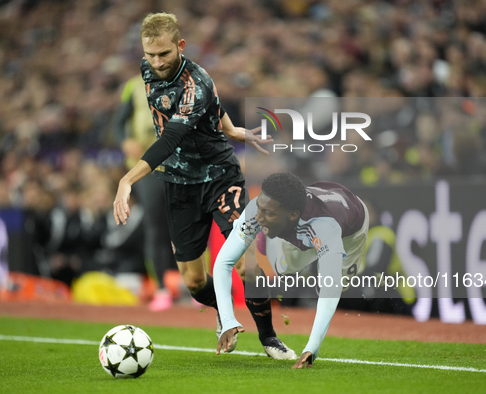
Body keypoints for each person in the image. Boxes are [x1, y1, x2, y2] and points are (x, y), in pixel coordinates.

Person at [112, 12, 296, 359]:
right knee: (195, 282)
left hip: (220, 177)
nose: (156, 62)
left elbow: (171, 139)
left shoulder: (196, 82)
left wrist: (126, 179)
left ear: (180, 46)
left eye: (164, 54)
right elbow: (216, 107)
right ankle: (222, 313)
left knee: (245, 263)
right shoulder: (146, 68)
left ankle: (270, 338)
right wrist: (231, 129)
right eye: (150, 54)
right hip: (179, 185)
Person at [213, 172, 370, 369]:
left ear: (293, 214)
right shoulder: (258, 208)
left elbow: (332, 288)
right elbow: (223, 263)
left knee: (335, 286)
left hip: (350, 232)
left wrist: (313, 347)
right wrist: (228, 320)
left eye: (268, 213)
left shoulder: (325, 226)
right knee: (284, 270)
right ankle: (273, 239)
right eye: (260, 209)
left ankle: (321, 255)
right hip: (304, 220)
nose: (259, 218)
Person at [114, 74, 180, 311]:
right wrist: (125, 142)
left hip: (181, 165)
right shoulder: (133, 86)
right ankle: (162, 288)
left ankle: (195, 285)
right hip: (146, 166)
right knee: (156, 226)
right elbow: (119, 124)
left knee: (189, 224)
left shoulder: (189, 83)